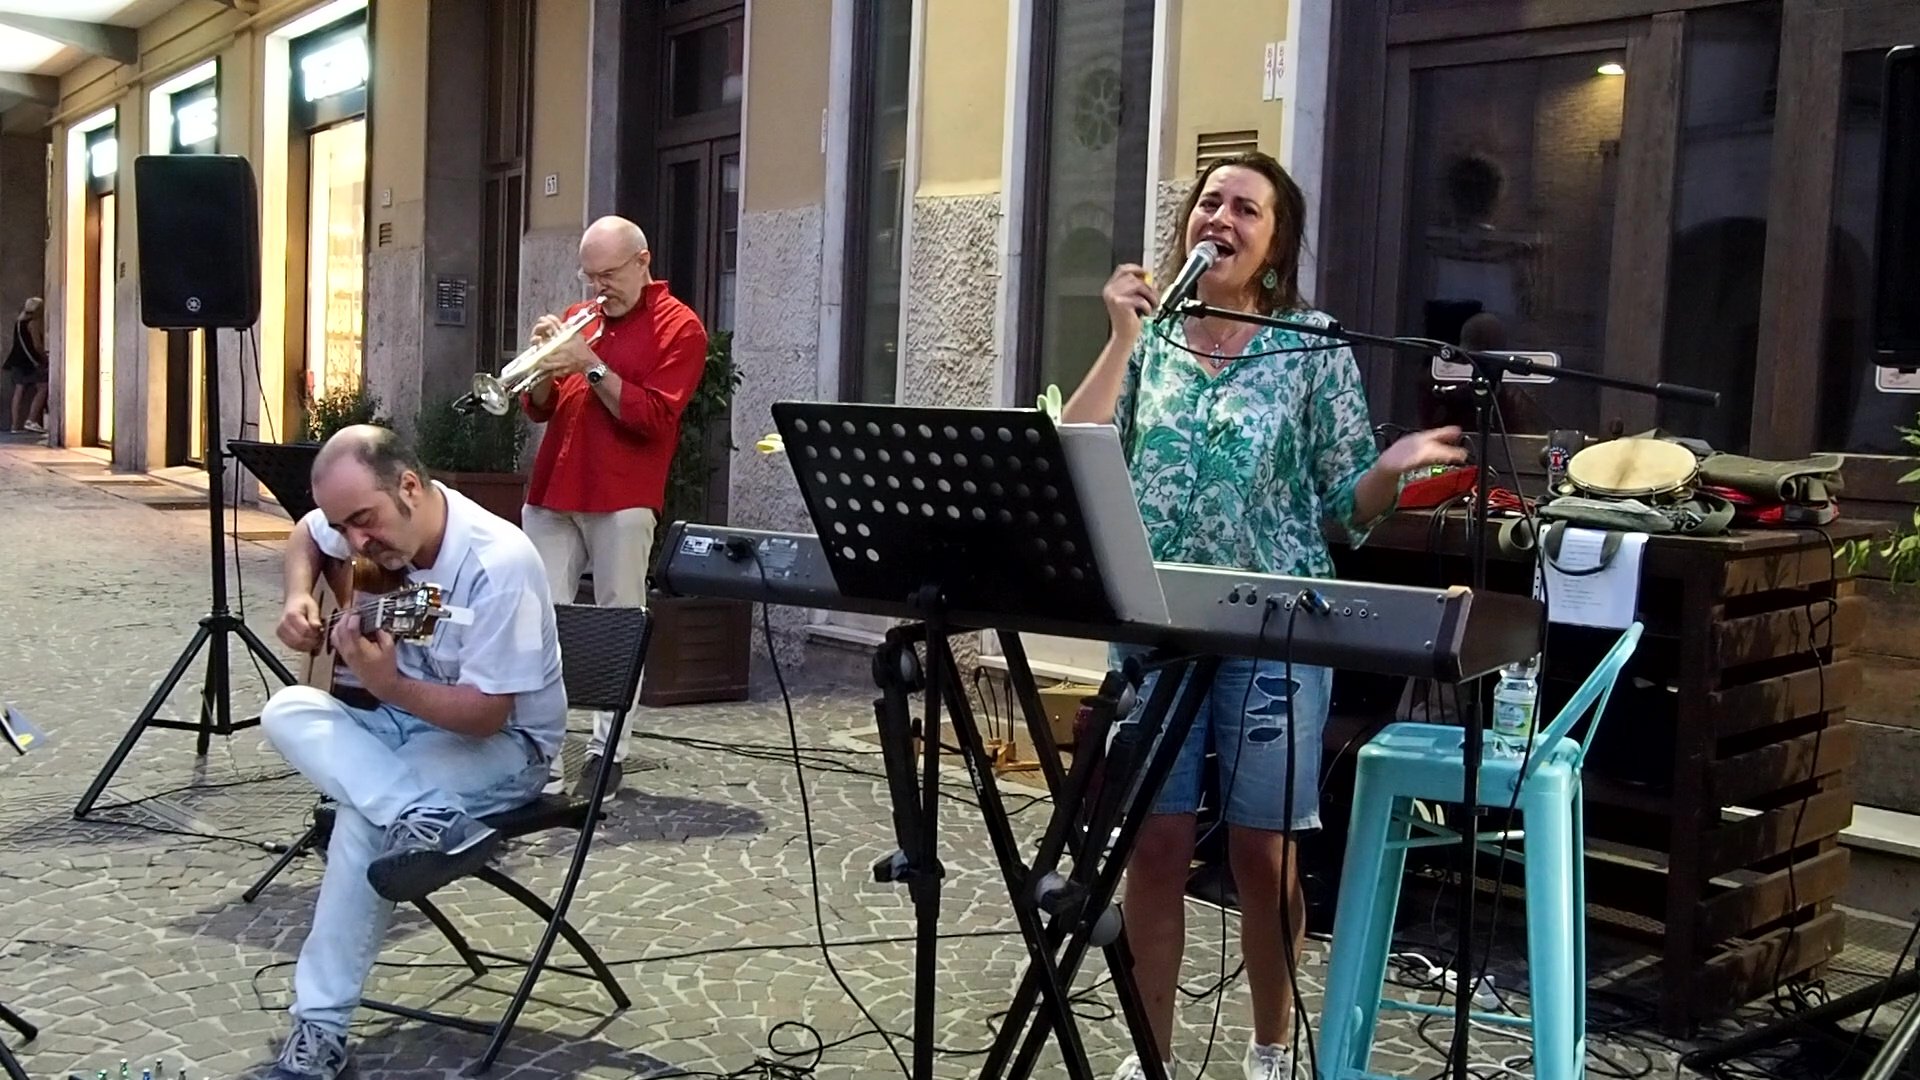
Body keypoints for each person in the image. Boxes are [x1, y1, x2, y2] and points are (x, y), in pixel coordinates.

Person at [1060, 151, 1467, 1080]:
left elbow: (1344, 511)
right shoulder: (1151, 336)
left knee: (1262, 846)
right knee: (1155, 844)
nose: (1222, 219)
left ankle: (1272, 1046)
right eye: (1210, 202)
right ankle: (1151, 1057)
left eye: (1247, 209)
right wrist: (1120, 338)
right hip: (1155, 621)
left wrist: (1388, 468)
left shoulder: (1311, 348)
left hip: (1275, 623)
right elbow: (1080, 449)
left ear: (1276, 245)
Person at [260, 425, 564, 1080]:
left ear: (408, 487)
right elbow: (308, 533)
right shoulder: (368, 527)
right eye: (346, 528)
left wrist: (388, 685)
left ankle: (319, 1028)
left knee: (362, 817)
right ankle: (422, 815)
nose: (356, 543)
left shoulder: (498, 565)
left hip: (506, 747)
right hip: (404, 727)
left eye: (364, 522)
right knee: (286, 708)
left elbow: (487, 715)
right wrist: (297, 595)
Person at [520, 215, 709, 796]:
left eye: (608, 274)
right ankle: (541, 756)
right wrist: (541, 369)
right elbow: (541, 407)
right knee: (537, 623)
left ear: (642, 261)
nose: (599, 287)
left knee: (618, 623)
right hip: (554, 488)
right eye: (591, 275)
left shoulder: (681, 327)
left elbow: (653, 417)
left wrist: (590, 364)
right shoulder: (583, 317)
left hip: (622, 494)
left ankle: (608, 753)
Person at [4, 297, 47, 434]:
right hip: (30, 362)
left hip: (16, 361)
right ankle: (31, 420)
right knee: (43, 387)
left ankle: (15, 425)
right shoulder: (33, 323)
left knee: (19, 390)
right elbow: (37, 345)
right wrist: (44, 358)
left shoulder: (19, 323)